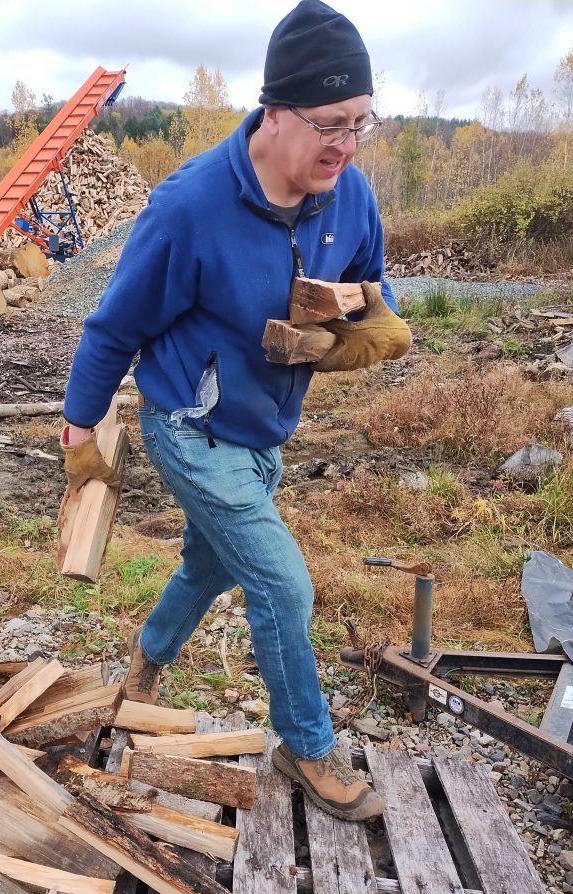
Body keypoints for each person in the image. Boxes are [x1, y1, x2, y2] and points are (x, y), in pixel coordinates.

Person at [61, 0, 411, 821]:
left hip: (261, 432)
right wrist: (80, 428)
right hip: (187, 426)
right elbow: (114, 327)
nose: (347, 143)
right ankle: (306, 745)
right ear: (275, 109)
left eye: (362, 121)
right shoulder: (191, 209)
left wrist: (363, 332)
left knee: (212, 564)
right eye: (330, 122)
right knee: (282, 583)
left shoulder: (349, 197)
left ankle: (145, 660)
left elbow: (372, 290)